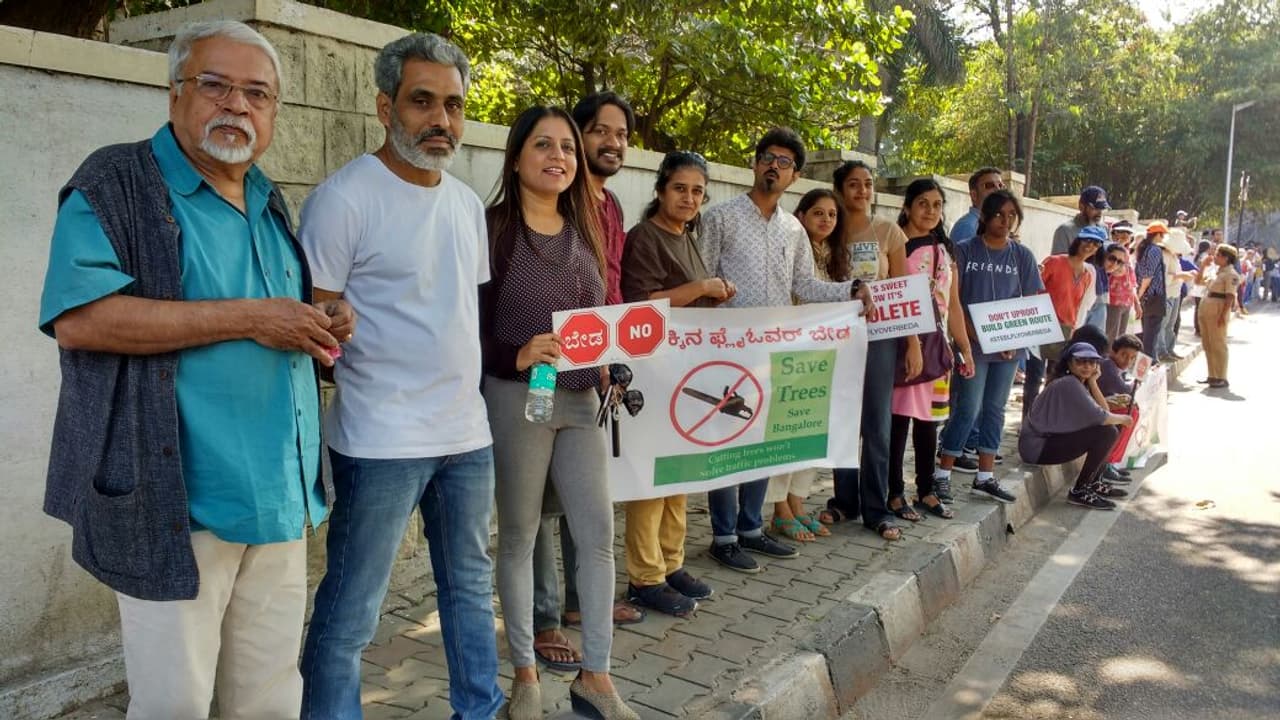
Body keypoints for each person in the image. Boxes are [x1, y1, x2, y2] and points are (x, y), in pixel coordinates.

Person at [37, 21, 354, 718]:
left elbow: (275, 320)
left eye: (258, 94)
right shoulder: (117, 182)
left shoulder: (269, 198)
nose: (237, 105)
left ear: (274, 112)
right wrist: (250, 316)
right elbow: (81, 320)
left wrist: (317, 325)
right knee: (174, 706)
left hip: (278, 498)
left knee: (269, 702)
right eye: (216, 85)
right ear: (175, 93)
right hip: (175, 506)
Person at [297, 33, 504, 719]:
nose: (441, 120)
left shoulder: (467, 205)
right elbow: (316, 322)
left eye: (453, 104)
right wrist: (331, 324)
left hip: (465, 435)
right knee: (351, 611)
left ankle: (478, 711)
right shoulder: (344, 199)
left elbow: (453, 315)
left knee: (471, 592)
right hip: (378, 439)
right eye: (423, 101)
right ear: (386, 106)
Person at [481, 105, 638, 720]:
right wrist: (515, 353)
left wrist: (607, 357)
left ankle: (596, 678)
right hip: (518, 395)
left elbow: (595, 315)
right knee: (519, 537)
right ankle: (525, 674)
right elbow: (469, 329)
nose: (559, 157)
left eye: (568, 148)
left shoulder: (588, 229)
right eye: (543, 145)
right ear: (517, 155)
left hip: (579, 399)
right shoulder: (493, 228)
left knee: (598, 538)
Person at [699, 128, 873, 571]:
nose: (774, 166)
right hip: (727, 352)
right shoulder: (719, 218)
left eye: (785, 162)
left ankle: (751, 528)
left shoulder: (793, 228)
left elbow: (803, 285)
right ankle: (723, 536)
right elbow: (698, 280)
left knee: (762, 443)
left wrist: (851, 290)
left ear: (794, 175)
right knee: (726, 444)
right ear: (755, 164)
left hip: (771, 352)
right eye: (768, 158)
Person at [530, 91, 642, 673]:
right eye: (600, 131)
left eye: (621, 133)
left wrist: (613, 352)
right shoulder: (558, 200)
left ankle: (579, 605)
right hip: (542, 367)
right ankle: (543, 617)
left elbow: (611, 288)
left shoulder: (614, 207)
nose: (612, 143)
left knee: (584, 497)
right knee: (538, 502)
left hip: (593, 369)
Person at [618, 151, 727, 615]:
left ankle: (671, 563)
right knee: (651, 476)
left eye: (697, 191)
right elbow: (640, 304)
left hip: (685, 370)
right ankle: (644, 577)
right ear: (661, 190)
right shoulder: (644, 237)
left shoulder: (688, 237)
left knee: (679, 471)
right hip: (650, 370)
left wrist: (714, 294)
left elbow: (688, 302)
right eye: (680, 188)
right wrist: (702, 289)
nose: (688, 197)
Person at [817, 159, 919, 541]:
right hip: (838, 338)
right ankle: (845, 500)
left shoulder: (888, 231)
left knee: (877, 424)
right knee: (842, 419)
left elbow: (907, 290)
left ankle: (876, 509)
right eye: (854, 184)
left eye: (868, 184)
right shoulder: (828, 228)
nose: (862, 191)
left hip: (880, 338)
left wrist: (912, 343)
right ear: (841, 189)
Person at [935, 190, 1044, 504]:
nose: (1005, 221)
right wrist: (972, 338)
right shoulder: (965, 250)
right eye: (999, 214)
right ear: (983, 216)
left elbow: (1030, 302)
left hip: (1008, 349)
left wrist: (1013, 339)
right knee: (968, 408)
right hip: (972, 346)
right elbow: (957, 302)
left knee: (995, 410)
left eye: (1012, 215)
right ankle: (942, 474)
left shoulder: (1022, 256)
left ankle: (985, 477)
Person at [887, 179, 976, 521]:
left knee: (928, 424)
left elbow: (952, 305)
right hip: (905, 345)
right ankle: (894, 494)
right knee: (898, 423)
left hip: (938, 348)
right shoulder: (898, 246)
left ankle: (925, 490)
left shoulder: (946, 250)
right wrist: (910, 342)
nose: (930, 211)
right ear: (907, 206)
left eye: (937, 205)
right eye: (923, 203)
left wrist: (963, 348)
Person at [764, 188, 846, 542]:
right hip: (790, 354)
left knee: (812, 434)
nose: (826, 220)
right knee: (786, 433)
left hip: (823, 357)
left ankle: (798, 504)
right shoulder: (790, 248)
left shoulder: (835, 256)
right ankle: (779, 511)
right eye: (818, 213)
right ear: (801, 215)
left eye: (832, 214)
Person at [1018, 343, 1134, 511]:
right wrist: (1124, 419)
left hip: (1045, 443)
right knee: (1107, 432)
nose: (1086, 366)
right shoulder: (1068, 383)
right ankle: (1080, 490)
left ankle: (1093, 483)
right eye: (1081, 361)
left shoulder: (1078, 382)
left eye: (1091, 362)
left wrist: (1093, 382)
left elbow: (1103, 412)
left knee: (1108, 430)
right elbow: (1102, 417)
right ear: (1069, 364)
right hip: (1036, 448)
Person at [1039, 226, 1104, 376]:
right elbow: (1033, 289)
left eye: (1096, 244)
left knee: (1055, 375)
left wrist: (1073, 330)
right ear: (1078, 241)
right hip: (1042, 324)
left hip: (1065, 329)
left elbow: (1078, 306)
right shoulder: (1054, 262)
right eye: (1087, 240)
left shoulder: (1087, 274)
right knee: (1035, 375)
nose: (1090, 246)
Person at [1198, 244, 1242, 389]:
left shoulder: (1231, 274)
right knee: (1208, 343)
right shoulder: (1216, 272)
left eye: (1218, 255)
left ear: (1226, 258)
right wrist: (1203, 266)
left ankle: (1221, 376)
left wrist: (1223, 315)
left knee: (1218, 343)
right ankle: (1212, 375)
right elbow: (1198, 281)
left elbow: (1230, 296)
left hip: (1218, 309)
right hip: (1207, 308)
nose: (1215, 257)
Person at [1134, 222, 1168, 360]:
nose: (1163, 237)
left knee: (1145, 334)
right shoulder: (1154, 250)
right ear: (1158, 234)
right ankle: (1149, 365)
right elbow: (1149, 274)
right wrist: (1140, 293)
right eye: (1163, 234)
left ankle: (1144, 365)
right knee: (1151, 337)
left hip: (1146, 297)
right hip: (1154, 296)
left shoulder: (1144, 248)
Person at [950, 167, 1004, 243]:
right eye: (989, 185)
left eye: (1000, 185)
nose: (998, 189)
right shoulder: (967, 227)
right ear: (974, 195)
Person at [1051, 185, 1109, 256]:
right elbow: (1059, 263)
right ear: (1081, 206)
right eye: (1095, 208)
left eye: (1102, 209)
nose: (1099, 212)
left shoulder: (1104, 229)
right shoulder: (1065, 231)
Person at [1103, 242, 1138, 342]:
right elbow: (1117, 272)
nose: (1115, 264)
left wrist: (1136, 303)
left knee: (1120, 338)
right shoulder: (1103, 271)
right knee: (1110, 336)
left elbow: (1132, 285)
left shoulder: (1128, 266)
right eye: (1112, 259)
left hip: (1126, 304)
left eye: (1120, 262)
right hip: (1112, 304)